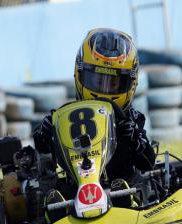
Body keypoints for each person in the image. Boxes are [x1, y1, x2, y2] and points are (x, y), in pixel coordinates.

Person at [33, 28, 155, 213]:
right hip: (76, 190)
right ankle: (56, 210)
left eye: (113, 83)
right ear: (80, 73)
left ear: (130, 83)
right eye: (97, 80)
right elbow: (41, 147)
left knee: (130, 182)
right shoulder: (63, 117)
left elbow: (148, 162)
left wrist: (133, 136)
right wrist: (44, 132)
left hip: (125, 184)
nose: (104, 90)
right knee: (50, 183)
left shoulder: (131, 119)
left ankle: (124, 198)